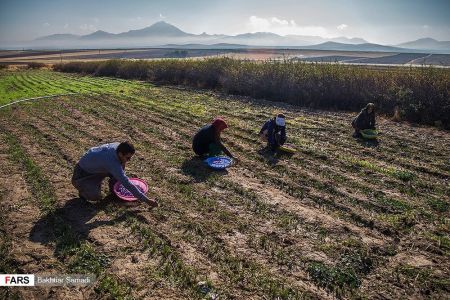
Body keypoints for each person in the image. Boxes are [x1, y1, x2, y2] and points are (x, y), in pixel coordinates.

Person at [71, 141, 158, 207]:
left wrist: (123, 165)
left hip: (96, 166)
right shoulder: (112, 163)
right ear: (120, 154)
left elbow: (121, 168)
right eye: (128, 158)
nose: (129, 160)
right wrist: (147, 200)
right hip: (82, 173)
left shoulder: (118, 146)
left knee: (120, 169)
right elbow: (126, 182)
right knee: (95, 196)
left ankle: (114, 189)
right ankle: (83, 192)